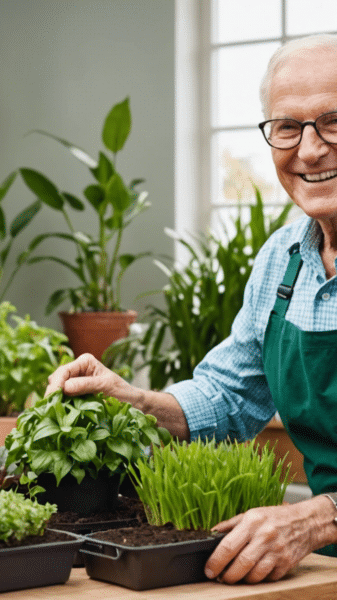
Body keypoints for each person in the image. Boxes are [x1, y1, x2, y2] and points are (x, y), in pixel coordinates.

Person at [45, 33, 337, 585]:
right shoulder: (283, 261)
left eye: (334, 120)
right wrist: (133, 400)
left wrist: (319, 516)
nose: (310, 148)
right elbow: (229, 396)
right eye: (287, 126)